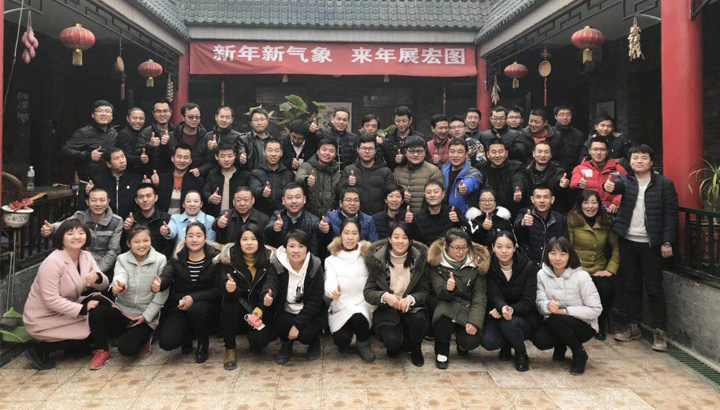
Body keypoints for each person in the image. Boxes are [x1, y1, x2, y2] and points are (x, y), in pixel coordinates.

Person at [604, 144, 678, 351]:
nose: (639, 161)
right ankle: (633, 327)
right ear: (630, 161)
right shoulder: (625, 180)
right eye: (635, 158)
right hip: (628, 241)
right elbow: (614, 187)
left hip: (652, 244)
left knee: (654, 288)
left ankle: (659, 333)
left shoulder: (664, 184)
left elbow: (671, 214)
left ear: (651, 162)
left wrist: (667, 241)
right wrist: (607, 186)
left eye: (644, 158)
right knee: (631, 286)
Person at [23, 219, 109, 370]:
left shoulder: (86, 256)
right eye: (70, 234)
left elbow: (104, 284)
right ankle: (40, 350)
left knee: (101, 314)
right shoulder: (52, 262)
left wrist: (97, 278)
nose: (76, 237)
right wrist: (83, 309)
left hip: (67, 309)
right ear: (61, 237)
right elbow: (51, 300)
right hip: (44, 316)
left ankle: (73, 347)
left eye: (81, 233)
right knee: (93, 333)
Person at [87, 225, 169, 368]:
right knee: (96, 311)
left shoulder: (160, 259)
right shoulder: (122, 259)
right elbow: (120, 276)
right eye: (137, 241)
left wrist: (146, 316)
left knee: (126, 349)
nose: (142, 245)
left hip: (144, 315)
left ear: (151, 241)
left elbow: (162, 293)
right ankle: (102, 351)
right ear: (128, 243)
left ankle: (146, 336)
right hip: (123, 311)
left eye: (145, 240)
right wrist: (118, 286)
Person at [154, 222, 222, 363]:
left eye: (199, 235)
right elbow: (166, 276)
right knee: (167, 342)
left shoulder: (215, 258)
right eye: (190, 236)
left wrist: (193, 298)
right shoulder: (177, 258)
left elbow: (218, 290)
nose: (194, 239)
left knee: (197, 309)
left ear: (205, 238)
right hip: (180, 304)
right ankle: (187, 337)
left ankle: (203, 342)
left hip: (206, 306)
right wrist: (159, 284)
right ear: (185, 239)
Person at [533, 237, 602, 375]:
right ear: (547, 254)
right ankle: (561, 344)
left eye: (563, 254)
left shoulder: (582, 276)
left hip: (584, 324)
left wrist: (564, 311)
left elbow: (596, 309)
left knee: (556, 319)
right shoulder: (541, 274)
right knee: (540, 340)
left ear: (570, 255)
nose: (557, 258)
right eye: (553, 253)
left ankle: (579, 353)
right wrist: (547, 306)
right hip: (556, 321)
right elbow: (539, 301)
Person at [364, 223, 430, 366]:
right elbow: (368, 292)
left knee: (418, 318)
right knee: (393, 343)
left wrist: (411, 299)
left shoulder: (419, 260)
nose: (400, 241)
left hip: (411, 309)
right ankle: (397, 344)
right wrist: (384, 296)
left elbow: (425, 292)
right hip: (387, 310)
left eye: (404, 238)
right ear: (389, 239)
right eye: (396, 237)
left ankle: (416, 348)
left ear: (410, 241)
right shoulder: (378, 260)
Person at [216, 224, 276, 369]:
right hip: (238, 305)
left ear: (259, 241)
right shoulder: (229, 259)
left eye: (253, 239)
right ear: (239, 242)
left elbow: (271, 283)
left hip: (259, 308)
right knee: (229, 306)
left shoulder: (269, 259)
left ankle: (253, 339)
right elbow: (221, 284)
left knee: (259, 342)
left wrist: (264, 303)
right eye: (245, 239)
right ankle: (230, 349)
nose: (249, 243)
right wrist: (228, 287)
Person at [428, 229, 489, 369]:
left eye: (464, 247)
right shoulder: (436, 262)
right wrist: (448, 289)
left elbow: (480, 296)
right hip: (444, 302)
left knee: (471, 341)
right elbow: (438, 291)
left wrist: (474, 321)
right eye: (456, 248)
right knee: (443, 318)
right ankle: (441, 351)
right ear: (446, 245)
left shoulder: (476, 263)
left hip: (466, 305)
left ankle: (462, 345)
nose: (461, 252)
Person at [481, 232, 541, 372]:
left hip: (524, 316)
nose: (504, 251)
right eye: (499, 246)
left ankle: (521, 354)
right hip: (498, 312)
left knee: (507, 322)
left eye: (508, 247)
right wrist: (502, 308)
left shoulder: (528, 267)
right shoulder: (488, 267)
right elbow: (494, 294)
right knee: (489, 342)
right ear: (493, 248)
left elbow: (528, 301)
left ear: (514, 248)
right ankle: (507, 344)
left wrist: (510, 310)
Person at [263, 230, 326, 364]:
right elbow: (271, 283)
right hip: (287, 310)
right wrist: (267, 295)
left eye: (301, 246)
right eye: (291, 246)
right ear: (285, 248)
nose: (296, 251)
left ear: (307, 248)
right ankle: (286, 344)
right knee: (281, 324)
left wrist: (297, 326)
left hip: (309, 313)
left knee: (307, 334)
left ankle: (314, 343)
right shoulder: (278, 263)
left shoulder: (315, 266)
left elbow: (315, 301)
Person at [568, 190, 619, 340]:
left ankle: (599, 323)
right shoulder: (572, 220)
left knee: (607, 289)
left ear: (599, 204)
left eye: (594, 202)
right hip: (577, 269)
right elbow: (567, 248)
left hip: (598, 268)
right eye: (586, 202)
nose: (590, 206)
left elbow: (616, 247)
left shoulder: (605, 221)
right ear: (580, 204)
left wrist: (610, 270)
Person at [40, 187, 123, 276]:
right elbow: (64, 224)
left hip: (105, 266)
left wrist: (97, 272)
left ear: (108, 201)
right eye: (94, 200)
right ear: (87, 202)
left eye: (102, 200)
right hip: (81, 261)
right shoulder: (80, 216)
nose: (98, 204)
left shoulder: (116, 221)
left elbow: (113, 251)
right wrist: (52, 228)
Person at [325, 220, 375, 362]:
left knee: (358, 317)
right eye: (346, 233)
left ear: (359, 235)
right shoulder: (331, 260)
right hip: (341, 304)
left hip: (361, 302)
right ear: (340, 235)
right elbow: (330, 280)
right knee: (341, 340)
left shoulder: (368, 256)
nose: (350, 238)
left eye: (354, 233)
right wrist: (332, 291)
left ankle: (363, 343)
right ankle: (350, 336)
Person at [60, 100, 118, 191]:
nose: (104, 114)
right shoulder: (83, 132)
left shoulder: (114, 133)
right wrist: (88, 155)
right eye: (100, 111)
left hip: (110, 182)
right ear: (93, 115)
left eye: (107, 111)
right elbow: (65, 151)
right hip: (89, 184)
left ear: (112, 116)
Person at [340, 134, 395, 216]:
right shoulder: (349, 170)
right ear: (358, 149)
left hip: (379, 217)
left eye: (370, 149)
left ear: (375, 150)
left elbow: (391, 194)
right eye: (364, 148)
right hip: (355, 217)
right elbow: (338, 192)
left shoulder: (385, 171)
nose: (367, 151)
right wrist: (347, 182)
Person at [570, 137, 626, 214]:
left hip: (610, 210)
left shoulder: (617, 169)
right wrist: (578, 183)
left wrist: (616, 202)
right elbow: (573, 182)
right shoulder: (581, 168)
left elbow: (627, 188)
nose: (599, 153)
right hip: (588, 209)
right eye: (595, 149)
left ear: (607, 151)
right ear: (589, 151)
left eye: (602, 150)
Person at [264, 183, 323, 256]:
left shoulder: (313, 221)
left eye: (298, 197)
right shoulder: (277, 216)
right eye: (289, 198)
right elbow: (266, 232)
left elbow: (314, 250)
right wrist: (274, 228)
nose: (294, 201)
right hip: (279, 258)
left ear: (304, 199)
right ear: (283, 200)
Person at [514, 185, 568, 263]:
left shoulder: (560, 219)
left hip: (553, 264)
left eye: (546, 197)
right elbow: (516, 229)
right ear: (532, 199)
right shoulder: (524, 213)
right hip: (529, 264)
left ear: (552, 200)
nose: (542, 201)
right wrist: (522, 223)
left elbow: (565, 245)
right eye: (538, 197)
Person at [392, 135, 443, 213]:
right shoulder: (397, 171)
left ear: (425, 151)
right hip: (402, 216)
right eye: (411, 151)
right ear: (405, 151)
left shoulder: (433, 171)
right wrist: (401, 194)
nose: (415, 155)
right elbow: (391, 193)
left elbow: (442, 195)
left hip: (425, 216)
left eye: (419, 151)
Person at [476, 138, 525, 216]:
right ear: (488, 154)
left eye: (501, 151)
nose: (497, 155)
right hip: (486, 213)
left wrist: (518, 191)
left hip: (511, 213)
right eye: (493, 152)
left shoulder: (516, 167)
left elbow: (518, 178)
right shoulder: (480, 169)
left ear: (506, 153)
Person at [123, 183, 173, 258]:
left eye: (148, 196)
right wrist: (127, 230)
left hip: (159, 261)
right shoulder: (131, 220)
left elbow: (169, 247)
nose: (145, 200)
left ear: (156, 198)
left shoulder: (166, 219)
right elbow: (125, 246)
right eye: (140, 197)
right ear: (136, 200)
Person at [518, 142, 570, 213]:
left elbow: (559, 178)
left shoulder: (558, 171)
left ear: (550, 155)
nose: (543, 155)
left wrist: (561, 184)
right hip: (529, 211)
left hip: (553, 211)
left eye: (546, 152)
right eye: (539, 152)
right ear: (533, 154)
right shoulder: (525, 172)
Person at [154, 143, 205, 215]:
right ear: (172, 158)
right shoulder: (162, 178)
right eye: (179, 157)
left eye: (186, 157)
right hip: (163, 219)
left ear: (190, 160)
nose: (182, 160)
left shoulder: (197, 181)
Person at [296, 138, 342, 217]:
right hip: (308, 216)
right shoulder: (306, 166)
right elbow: (298, 178)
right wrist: (306, 179)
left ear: (335, 155)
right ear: (318, 151)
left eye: (331, 151)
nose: (327, 153)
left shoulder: (337, 174)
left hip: (329, 217)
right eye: (324, 149)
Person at [249, 137, 295, 216]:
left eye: (276, 151)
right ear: (264, 152)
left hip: (283, 216)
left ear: (281, 153)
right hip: (261, 216)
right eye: (270, 150)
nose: (273, 154)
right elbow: (253, 191)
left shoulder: (289, 174)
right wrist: (262, 191)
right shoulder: (255, 173)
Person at [92, 147, 143, 219]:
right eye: (116, 158)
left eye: (123, 156)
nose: (122, 161)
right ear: (108, 164)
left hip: (131, 221)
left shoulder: (136, 178)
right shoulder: (99, 180)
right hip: (106, 221)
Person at [414, 180, 469, 246]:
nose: (432, 195)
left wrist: (458, 221)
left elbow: (468, 230)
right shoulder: (418, 217)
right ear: (425, 195)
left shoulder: (453, 211)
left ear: (443, 194)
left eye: (436, 192)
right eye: (428, 192)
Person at [203, 142, 250, 217]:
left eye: (229, 156)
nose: (226, 159)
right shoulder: (212, 174)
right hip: (217, 217)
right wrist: (210, 197)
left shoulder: (244, 175)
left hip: (238, 218)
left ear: (235, 156)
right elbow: (205, 192)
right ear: (216, 157)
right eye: (222, 156)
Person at [199, 106, 245, 177]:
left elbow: (239, 158)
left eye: (227, 117)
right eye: (222, 117)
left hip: (233, 176)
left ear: (232, 119)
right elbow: (203, 159)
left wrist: (242, 158)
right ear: (216, 117)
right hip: (210, 176)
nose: (224, 120)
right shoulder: (207, 136)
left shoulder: (239, 137)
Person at [163, 102, 207, 175]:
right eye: (190, 117)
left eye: (197, 117)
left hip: (197, 177)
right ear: (183, 117)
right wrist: (163, 145)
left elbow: (210, 162)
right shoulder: (172, 136)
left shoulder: (206, 137)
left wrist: (200, 170)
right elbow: (163, 160)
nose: (194, 119)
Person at [442, 138, 482, 215]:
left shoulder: (474, 172)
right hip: (445, 216)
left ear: (466, 154)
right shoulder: (443, 170)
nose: (455, 155)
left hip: (464, 216)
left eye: (460, 152)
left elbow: (471, 181)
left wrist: (465, 187)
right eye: (452, 151)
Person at [136, 99, 174, 174]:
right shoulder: (145, 133)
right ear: (153, 114)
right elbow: (138, 154)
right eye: (158, 111)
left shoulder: (176, 132)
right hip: (151, 174)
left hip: (171, 175)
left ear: (170, 112)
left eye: (165, 111)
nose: (162, 114)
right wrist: (150, 145)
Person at [383, 106, 424, 170]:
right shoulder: (389, 137)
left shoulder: (419, 137)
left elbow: (423, 157)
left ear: (410, 120)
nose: (401, 124)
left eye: (404, 121)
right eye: (398, 121)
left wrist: (404, 158)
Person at [553, 105, 586, 174]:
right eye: (561, 114)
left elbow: (582, 155)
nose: (565, 117)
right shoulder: (550, 133)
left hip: (574, 172)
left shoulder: (578, 135)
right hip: (553, 171)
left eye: (568, 114)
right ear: (556, 116)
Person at [116, 107, 148, 173]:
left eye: (141, 118)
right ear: (128, 119)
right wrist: (140, 159)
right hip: (128, 172)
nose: (138, 121)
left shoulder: (145, 132)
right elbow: (125, 156)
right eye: (135, 118)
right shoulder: (123, 134)